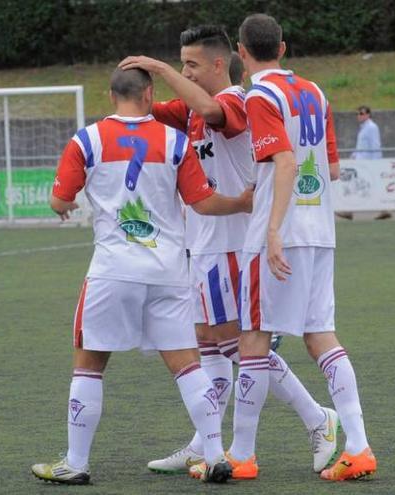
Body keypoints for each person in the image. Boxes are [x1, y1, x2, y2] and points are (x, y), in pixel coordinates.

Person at [118, 25, 339, 478]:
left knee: (238, 346)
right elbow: (148, 111)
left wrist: (159, 68)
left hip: (234, 243)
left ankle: (318, 418)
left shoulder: (239, 101)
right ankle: (206, 441)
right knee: (209, 345)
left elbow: (210, 108)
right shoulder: (188, 111)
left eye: (191, 64)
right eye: (180, 64)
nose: (185, 72)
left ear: (221, 63)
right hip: (203, 245)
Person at [31, 67, 252, 485]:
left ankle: (75, 463)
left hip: (113, 272)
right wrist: (241, 203)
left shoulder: (88, 140)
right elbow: (202, 203)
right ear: (150, 94)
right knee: (188, 366)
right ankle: (214, 453)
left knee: (89, 366)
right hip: (169, 272)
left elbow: (60, 198)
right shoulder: (176, 141)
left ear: (111, 95)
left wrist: (62, 206)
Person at [226, 13, 377, 482]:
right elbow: (329, 169)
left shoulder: (259, 95)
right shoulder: (315, 92)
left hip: (282, 233)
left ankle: (242, 456)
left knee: (252, 338)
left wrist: (272, 229)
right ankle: (358, 447)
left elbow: (286, 160)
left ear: (241, 52)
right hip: (320, 231)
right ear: (284, 49)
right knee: (320, 336)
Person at [336, 105, 391, 220]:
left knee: (363, 185)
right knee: (357, 185)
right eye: (357, 114)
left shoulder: (371, 127)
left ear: (368, 115)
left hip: (368, 162)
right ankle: (350, 211)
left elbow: (375, 145)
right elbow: (361, 146)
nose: (358, 116)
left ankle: (382, 209)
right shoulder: (364, 128)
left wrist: (376, 162)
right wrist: (354, 155)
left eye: (361, 113)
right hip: (361, 162)